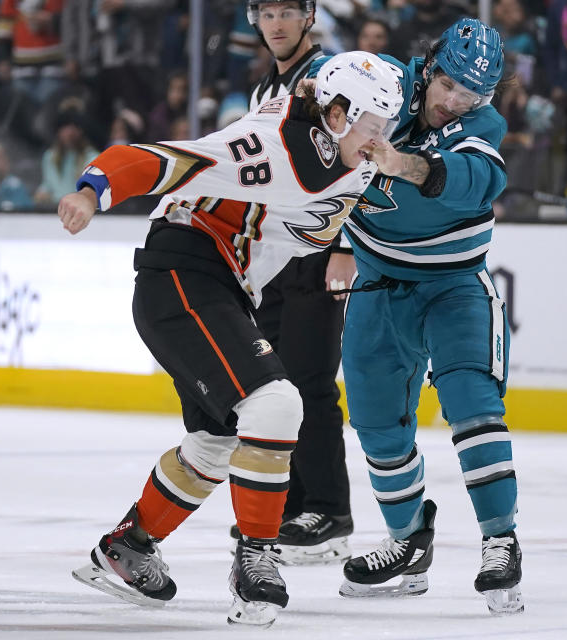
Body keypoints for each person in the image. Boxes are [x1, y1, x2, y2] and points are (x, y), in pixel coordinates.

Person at [60, 50, 403, 627]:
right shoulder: (274, 150)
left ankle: (128, 547)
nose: (380, 141)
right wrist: (93, 191)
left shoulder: (344, 140)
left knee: (216, 442)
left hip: (224, 286)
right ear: (339, 115)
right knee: (276, 403)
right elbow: (160, 160)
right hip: (184, 274)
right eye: (373, 128)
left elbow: (359, 181)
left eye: (385, 130)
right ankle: (257, 559)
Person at [324, 18, 524, 615]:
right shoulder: (380, 87)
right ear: (429, 66)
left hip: (454, 285)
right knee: (376, 420)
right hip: (379, 283)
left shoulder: (483, 124)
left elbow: (478, 182)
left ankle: (500, 540)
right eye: (450, 86)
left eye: (472, 94)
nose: (456, 101)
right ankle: (408, 538)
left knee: (472, 403)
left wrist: (403, 164)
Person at [228, 0, 358, 566]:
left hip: (317, 250)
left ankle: (330, 512)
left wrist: (347, 246)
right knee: (279, 387)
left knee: (311, 382)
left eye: (288, 12)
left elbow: (361, 159)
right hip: (274, 256)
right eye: (267, 12)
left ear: (309, 17)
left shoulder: (330, 79)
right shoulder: (265, 90)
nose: (276, 23)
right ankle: (297, 505)